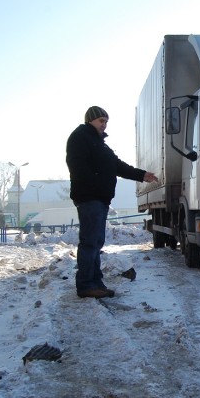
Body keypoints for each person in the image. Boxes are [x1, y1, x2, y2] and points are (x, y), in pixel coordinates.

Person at [66, 106, 158, 299]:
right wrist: (97, 183)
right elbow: (77, 167)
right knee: (90, 242)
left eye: (106, 121)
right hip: (89, 197)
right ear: (90, 120)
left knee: (96, 242)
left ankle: (95, 282)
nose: (104, 125)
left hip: (99, 198)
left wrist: (142, 175)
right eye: (101, 120)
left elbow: (117, 165)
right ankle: (85, 285)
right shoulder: (80, 137)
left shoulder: (100, 143)